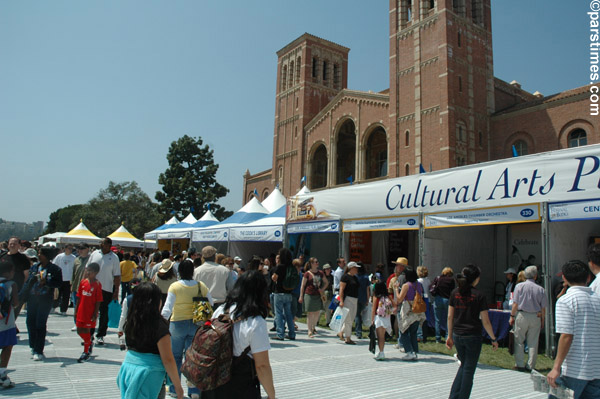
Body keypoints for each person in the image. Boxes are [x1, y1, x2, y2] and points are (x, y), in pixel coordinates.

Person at [201, 270, 276, 399]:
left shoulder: (221, 310)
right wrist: (271, 395)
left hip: (213, 383)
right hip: (240, 385)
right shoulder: (256, 322)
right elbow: (262, 365)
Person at [117, 282, 183, 399]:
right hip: (149, 376)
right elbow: (168, 359)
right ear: (156, 301)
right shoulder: (159, 326)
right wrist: (178, 387)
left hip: (128, 370)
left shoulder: (132, 321)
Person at [547, 260, 600, 398]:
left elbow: (566, 336)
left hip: (574, 369)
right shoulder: (597, 299)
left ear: (564, 278)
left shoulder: (566, 300)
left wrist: (556, 367)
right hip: (596, 367)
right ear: (588, 277)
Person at [161, 259, 212, 398]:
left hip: (177, 324)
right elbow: (211, 302)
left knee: (175, 357)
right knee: (192, 359)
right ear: (193, 271)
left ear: (179, 271)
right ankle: (194, 390)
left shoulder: (175, 286)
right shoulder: (201, 286)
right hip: (196, 324)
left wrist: (160, 322)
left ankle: (173, 387)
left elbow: (167, 308)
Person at [446, 264, 498, 399]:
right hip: (473, 336)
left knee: (464, 367)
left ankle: (453, 396)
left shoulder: (455, 293)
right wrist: (493, 338)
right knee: (468, 371)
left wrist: (449, 335)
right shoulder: (479, 295)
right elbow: (486, 321)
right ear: (476, 279)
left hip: (457, 334)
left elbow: (450, 316)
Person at [21, 246, 63, 361]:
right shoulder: (35, 267)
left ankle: (38, 350)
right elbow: (28, 282)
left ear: (46, 256)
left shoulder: (55, 269)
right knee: (30, 322)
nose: (38, 255)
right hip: (32, 298)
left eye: (40, 253)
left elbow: (58, 283)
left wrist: (47, 282)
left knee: (40, 324)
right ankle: (32, 345)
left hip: (45, 300)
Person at [509, 265, 547, 372]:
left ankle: (519, 364)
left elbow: (515, 303)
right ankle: (531, 365)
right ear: (535, 276)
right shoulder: (540, 289)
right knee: (533, 342)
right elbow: (543, 307)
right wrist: (542, 320)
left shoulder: (519, 287)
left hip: (522, 314)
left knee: (519, 340)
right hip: (535, 315)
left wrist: (512, 316)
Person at [87, 237, 121, 345]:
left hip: (106, 289)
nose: (102, 245)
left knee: (104, 313)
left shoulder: (114, 258)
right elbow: (87, 269)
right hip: (92, 287)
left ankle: (101, 335)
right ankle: (90, 334)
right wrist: (84, 283)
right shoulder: (94, 254)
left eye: (104, 244)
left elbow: (117, 275)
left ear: (109, 245)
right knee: (91, 312)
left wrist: (116, 291)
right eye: (101, 243)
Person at [394, 268, 426, 360]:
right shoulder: (419, 285)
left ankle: (409, 352)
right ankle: (415, 352)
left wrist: (396, 289)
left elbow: (399, 299)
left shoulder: (406, 285)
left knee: (403, 331)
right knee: (413, 333)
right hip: (417, 310)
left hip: (408, 309)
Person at [75, 262, 103, 363]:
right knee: (79, 330)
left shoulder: (97, 284)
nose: (88, 272)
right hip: (81, 311)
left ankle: (86, 351)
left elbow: (98, 300)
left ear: (96, 272)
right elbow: (79, 297)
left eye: (90, 271)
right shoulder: (83, 282)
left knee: (86, 330)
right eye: (87, 270)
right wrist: (76, 310)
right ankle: (89, 341)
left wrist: (95, 313)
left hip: (90, 312)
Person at [271, 248, 296, 341]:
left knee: (278, 313)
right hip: (289, 292)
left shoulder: (280, 266)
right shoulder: (292, 267)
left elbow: (274, 278)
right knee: (288, 314)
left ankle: (280, 334)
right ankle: (292, 333)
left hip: (279, 292)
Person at [0, 237, 29, 318]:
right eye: (11, 243)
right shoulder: (2, 256)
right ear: (8, 245)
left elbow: (26, 274)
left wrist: (21, 286)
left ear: (19, 245)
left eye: (15, 244)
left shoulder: (23, 258)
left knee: (11, 312)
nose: (12, 245)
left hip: (15, 288)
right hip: (1, 288)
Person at [299, 257, 327, 338]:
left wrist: (322, 289)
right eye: (316, 262)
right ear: (311, 264)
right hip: (309, 294)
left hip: (318, 295)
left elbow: (326, 282)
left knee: (317, 313)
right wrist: (301, 296)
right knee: (310, 313)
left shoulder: (321, 273)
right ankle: (309, 330)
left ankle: (313, 327)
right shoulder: (307, 273)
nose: (317, 263)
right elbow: (303, 285)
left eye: (317, 262)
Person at [0, 261, 18, 387]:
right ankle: (2, 375)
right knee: (7, 346)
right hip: (6, 322)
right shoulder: (11, 284)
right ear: (9, 272)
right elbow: (16, 303)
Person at [430, 267, 455, 343]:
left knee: (437, 320)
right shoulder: (451, 280)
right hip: (447, 299)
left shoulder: (438, 278)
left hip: (438, 299)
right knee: (449, 318)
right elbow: (452, 290)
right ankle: (448, 336)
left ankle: (438, 338)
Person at [338, 261, 360, 345]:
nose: (357, 269)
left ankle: (342, 332)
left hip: (355, 299)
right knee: (348, 319)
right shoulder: (345, 277)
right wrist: (341, 301)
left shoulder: (355, 277)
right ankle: (348, 337)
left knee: (351, 318)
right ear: (351, 268)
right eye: (355, 268)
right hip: (348, 299)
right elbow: (341, 290)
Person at [371, 281, 394, 361]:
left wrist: (372, 320)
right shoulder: (388, 297)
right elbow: (394, 305)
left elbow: (373, 309)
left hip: (379, 318)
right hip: (387, 318)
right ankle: (381, 351)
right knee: (383, 336)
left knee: (379, 337)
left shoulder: (376, 297)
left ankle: (381, 352)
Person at [71, 243, 91, 330]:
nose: (80, 250)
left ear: (87, 249)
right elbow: (73, 273)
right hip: (76, 287)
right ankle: (77, 323)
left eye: (82, 248)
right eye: (78, 249)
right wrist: (71, 285)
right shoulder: (76, 260)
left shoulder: (91, 260)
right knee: (76, 306)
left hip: (87, 288)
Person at [52, 244, 76, 315]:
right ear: (65, 248)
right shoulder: (59, 256)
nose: (70, 250)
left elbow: (74, 268)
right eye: (69, 248)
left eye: (72, 249)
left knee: (66, 295)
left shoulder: (73, 257)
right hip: (59, 278)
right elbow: (54, 265)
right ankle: (53, 307)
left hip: (68, 279)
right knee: (57, 294)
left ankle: (63, 310)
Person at [416, 265, 431, 342]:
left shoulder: (418, 281)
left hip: (421, 300)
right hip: (427, 299)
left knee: (420, 318)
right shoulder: (428, 280)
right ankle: (425, 334)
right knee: (425, 318)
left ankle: (420, 334)